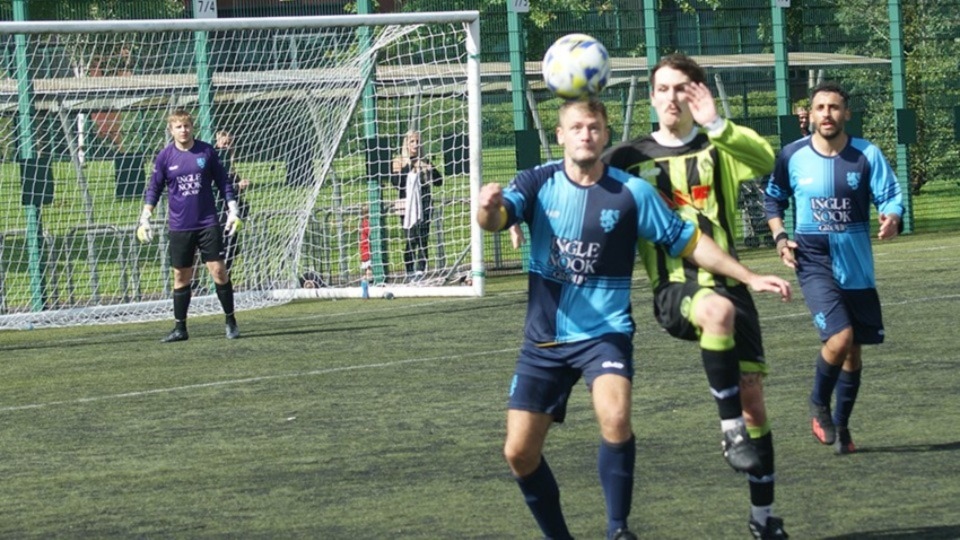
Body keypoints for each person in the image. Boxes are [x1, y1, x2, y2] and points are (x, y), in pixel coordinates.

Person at [477, 97, 791, 540]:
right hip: (543, 341)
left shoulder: (631, 192)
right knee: (518, 454)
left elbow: (689, 241)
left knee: (616, 418)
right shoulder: (538, 181)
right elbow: (496, 218)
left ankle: (618, 530)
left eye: (594, 128)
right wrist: (488, 207)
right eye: (577, 128)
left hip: (605, 335)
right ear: (561, 136)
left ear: (605, 136)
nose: (586, 135)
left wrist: (748, 275)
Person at [603, 53, 792, 539]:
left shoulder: (718, 144)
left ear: (698, 94)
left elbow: (767, 159)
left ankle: (763, 517)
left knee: (754, 402)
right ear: (651, 96)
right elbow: (580, 185)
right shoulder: (629, 160)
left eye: (682, 89)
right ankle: (728, 432)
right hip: (676, 288)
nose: (672, 98)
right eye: (663, 89)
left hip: (731, 282)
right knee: (714, 309)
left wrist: (718, 122)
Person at [764, 81, 903, 457]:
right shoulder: (792, 155)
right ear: (809, 114)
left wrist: (892, 216)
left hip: (856, 262)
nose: (827, 114)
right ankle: (818, 404)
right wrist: (780, 238)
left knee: (854, 352)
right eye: (820, 107)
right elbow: (773, 199)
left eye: (835, 107)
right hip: (813, 258)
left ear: (846, 114)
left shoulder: (866, 154)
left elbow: (890, 195)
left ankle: (842, 425)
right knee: (839, 338)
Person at [136, 110, 243, 342]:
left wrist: (233, 209)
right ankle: (180, 328)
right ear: (171, 130)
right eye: (178, 127)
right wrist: (145, 217)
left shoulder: (206, 151)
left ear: (191, 127)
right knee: (181, 276)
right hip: (180, 226)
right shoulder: (165, 157)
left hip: (207, 223)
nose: (183, 130)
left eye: (186, 126)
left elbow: (223, 181)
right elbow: (154, 188)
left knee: (218, 271)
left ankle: (231, 321)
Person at [391, 130, 443, 280]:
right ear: (406, 144)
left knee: (423, 238)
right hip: (406, 204)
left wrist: (429, 169)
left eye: (417, 141)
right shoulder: (399, 161)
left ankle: (421, 270)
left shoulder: (425, 161)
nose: (415, 144)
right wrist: (409, 167)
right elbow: (397, 184)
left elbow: (439, 182)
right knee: (410, 238)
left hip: (424, 203)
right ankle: (409, 270)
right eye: (412, 141)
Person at [214, 129, 251, 273]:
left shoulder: (229, 160)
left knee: (232, 247)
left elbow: (231, 180)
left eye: (230, 143)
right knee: (224, 246)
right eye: (225, 143)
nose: (227, 146)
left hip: (231, 209)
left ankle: (225, 277)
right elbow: (218, 184)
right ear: (218, 141)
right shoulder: (215, 157)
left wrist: (240, 183)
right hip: (219, 209)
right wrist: (237, 186)